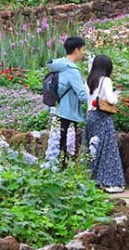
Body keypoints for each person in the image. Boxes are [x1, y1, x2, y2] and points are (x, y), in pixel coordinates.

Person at [84, 54, 125, 194]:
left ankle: (92, 179)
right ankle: (113, 183)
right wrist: (117, 97)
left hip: (90, 116)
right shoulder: (105, 80)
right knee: (108, 150)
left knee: (93, 149)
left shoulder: (89, 80)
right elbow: (111, 100)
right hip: (102, 117)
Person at [46, 36, 89, 169]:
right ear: (76, 50)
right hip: (68, 112)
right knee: (65, 145)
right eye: (82, 50)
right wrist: (96, 102)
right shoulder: (72, 70)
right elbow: (82, 95)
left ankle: (56, 170)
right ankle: (62, 173)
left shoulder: (60, 65)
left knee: (58, 142)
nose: (83, 53)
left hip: (59, 109)